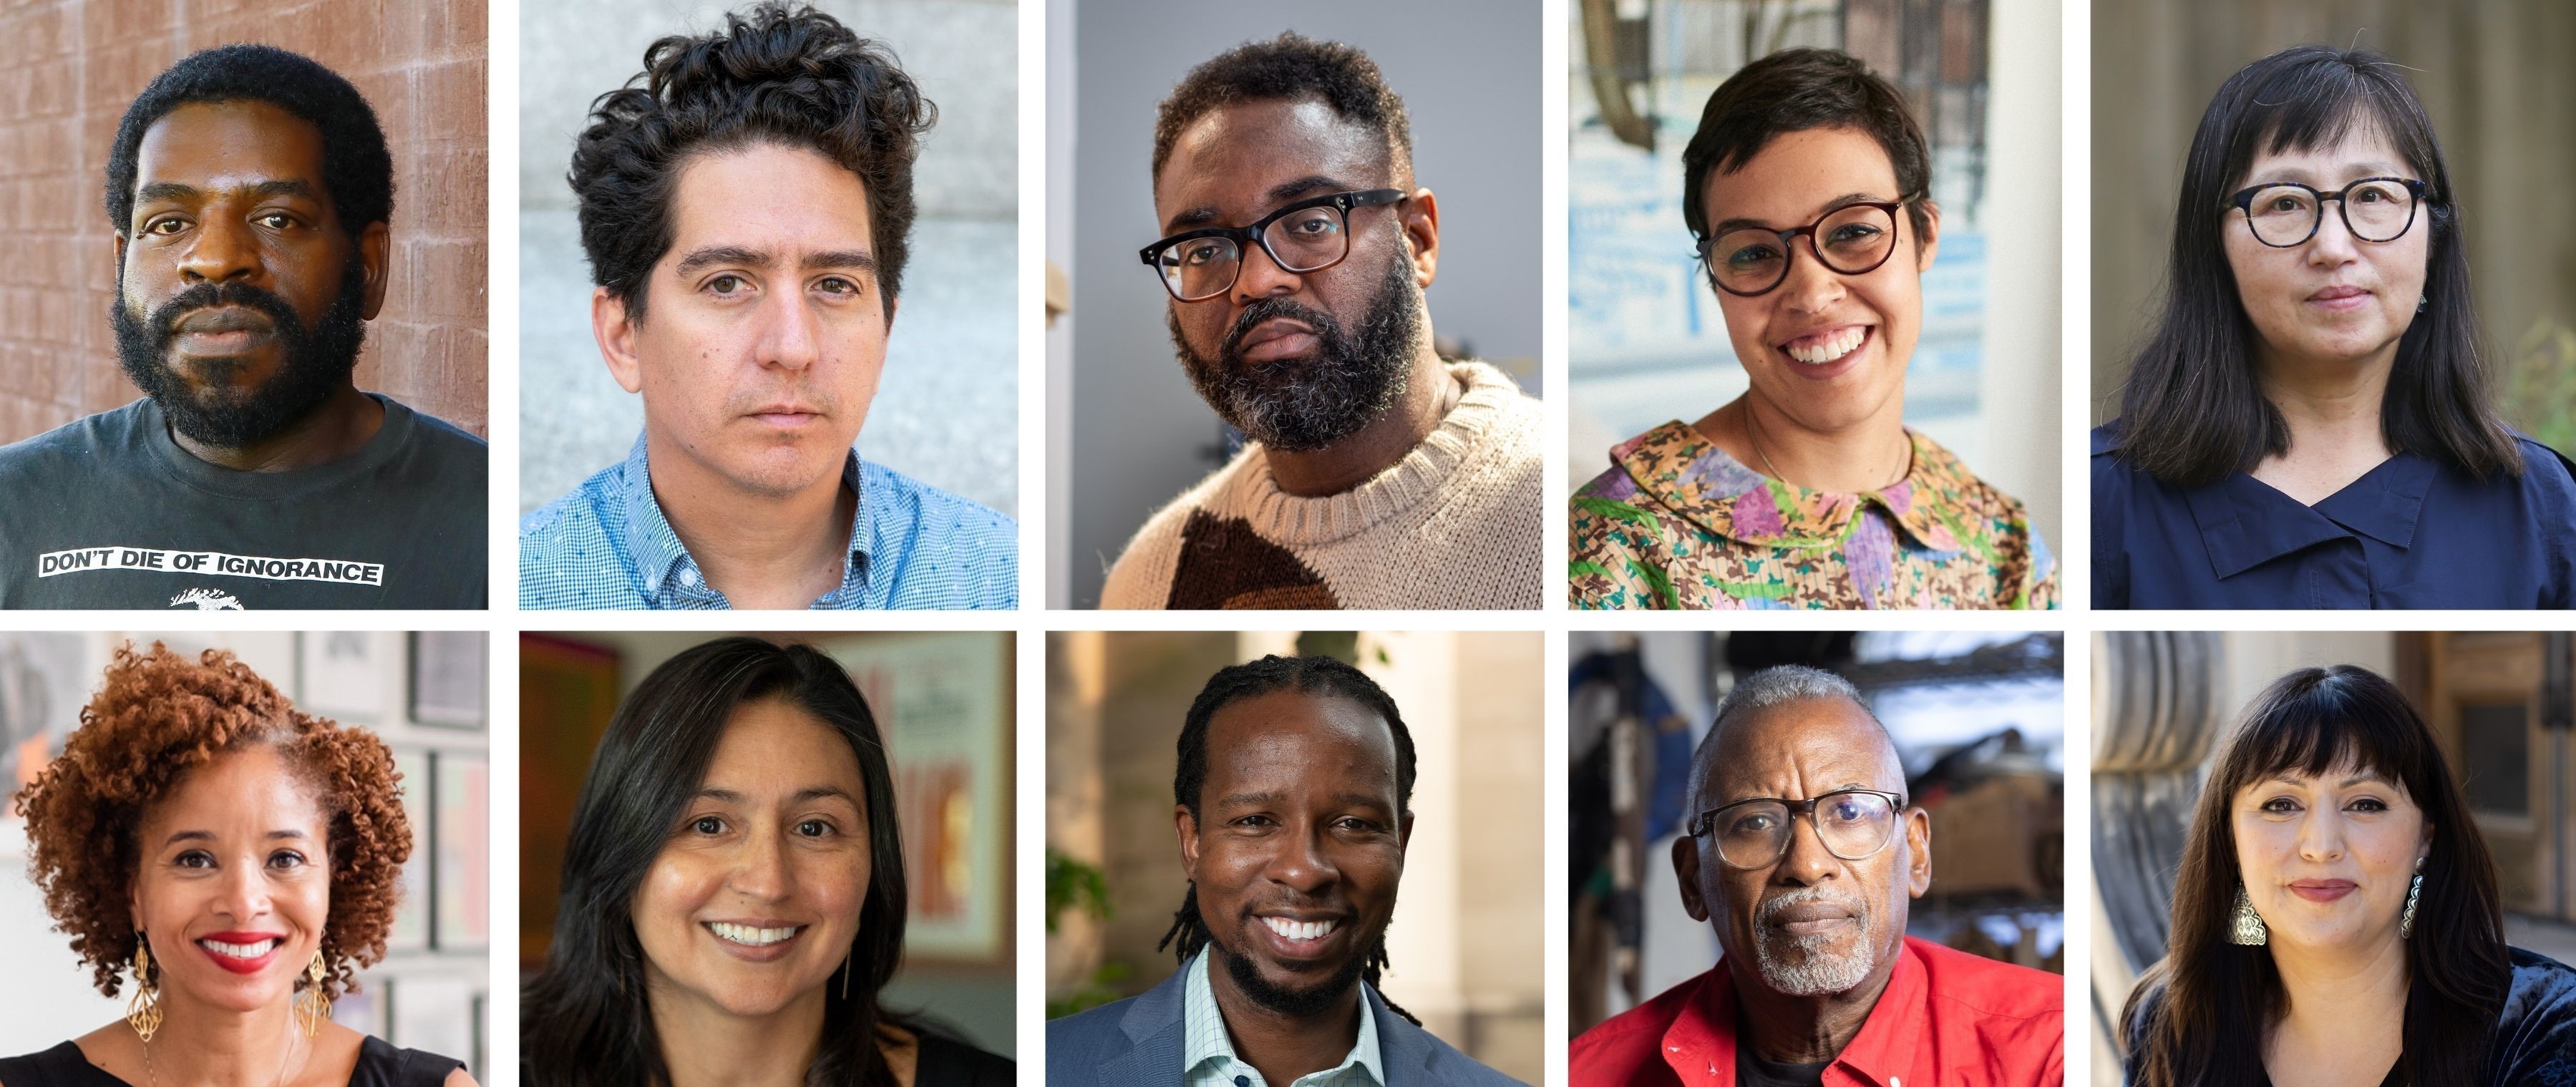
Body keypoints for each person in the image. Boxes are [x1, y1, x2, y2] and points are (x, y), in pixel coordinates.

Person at [521, 4, 1017, 612]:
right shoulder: (516, 582)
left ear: (885, 330)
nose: (792, 347)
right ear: (623, 336)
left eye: (834, 285)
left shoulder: (1001, 576)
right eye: (727, 283)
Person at [523, 638, 1013, 1087]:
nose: (768, 882)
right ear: (619, 851)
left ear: (873, 862)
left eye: (815, 828)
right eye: (708, 824)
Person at [1045, 652, 1540, 1087]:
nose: (1305, 871)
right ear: (1192, 841)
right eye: (1256, 821)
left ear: (1401, 843)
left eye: (1353, 824)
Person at [0, 645, 487, 1087]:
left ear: (334, 883)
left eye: (284, 858)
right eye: (195, 859)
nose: (243, 900)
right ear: (132, 894)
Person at [1570, 665, 2061, 1087]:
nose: (1806, 865)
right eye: (1754, 822)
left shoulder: (2052, 1056)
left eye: (1849, 812)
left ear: (1916, 854)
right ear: (1693, 882)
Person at [0, 45, 487, 611]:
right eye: (169, 224)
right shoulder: (16, 504)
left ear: (369, 265)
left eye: (278, 219)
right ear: (121, 263)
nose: (214, 259)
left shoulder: (487, 522)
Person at [1570, 48, 2056, 612]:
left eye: (1852, 233)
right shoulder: (1621, 541)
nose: (1811, 294)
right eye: (1753, 253)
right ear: (1715, 279)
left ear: (1924, 235)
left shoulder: (2004, 546)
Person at [2094, 45, 2576, 610]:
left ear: (2432, 237)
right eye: (2284, 203)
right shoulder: (2102, 501)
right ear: (2214, 247)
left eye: (2371, 195)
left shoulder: (2538, 505)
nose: (2332, 247)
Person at [2121, 664, 2576, 1087]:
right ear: (2230, 838)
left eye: (2364, 804)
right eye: (2280, 804)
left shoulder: (2546, 1030)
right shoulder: (2171, 1021)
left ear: (2425, 838)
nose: (2320, 846)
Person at [1102, 34, 1544, 610]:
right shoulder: (1149, 579)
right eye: (1205, 249)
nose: (1257, 281)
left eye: (1311, 224)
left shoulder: (1565, 505)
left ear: (1416, 241)